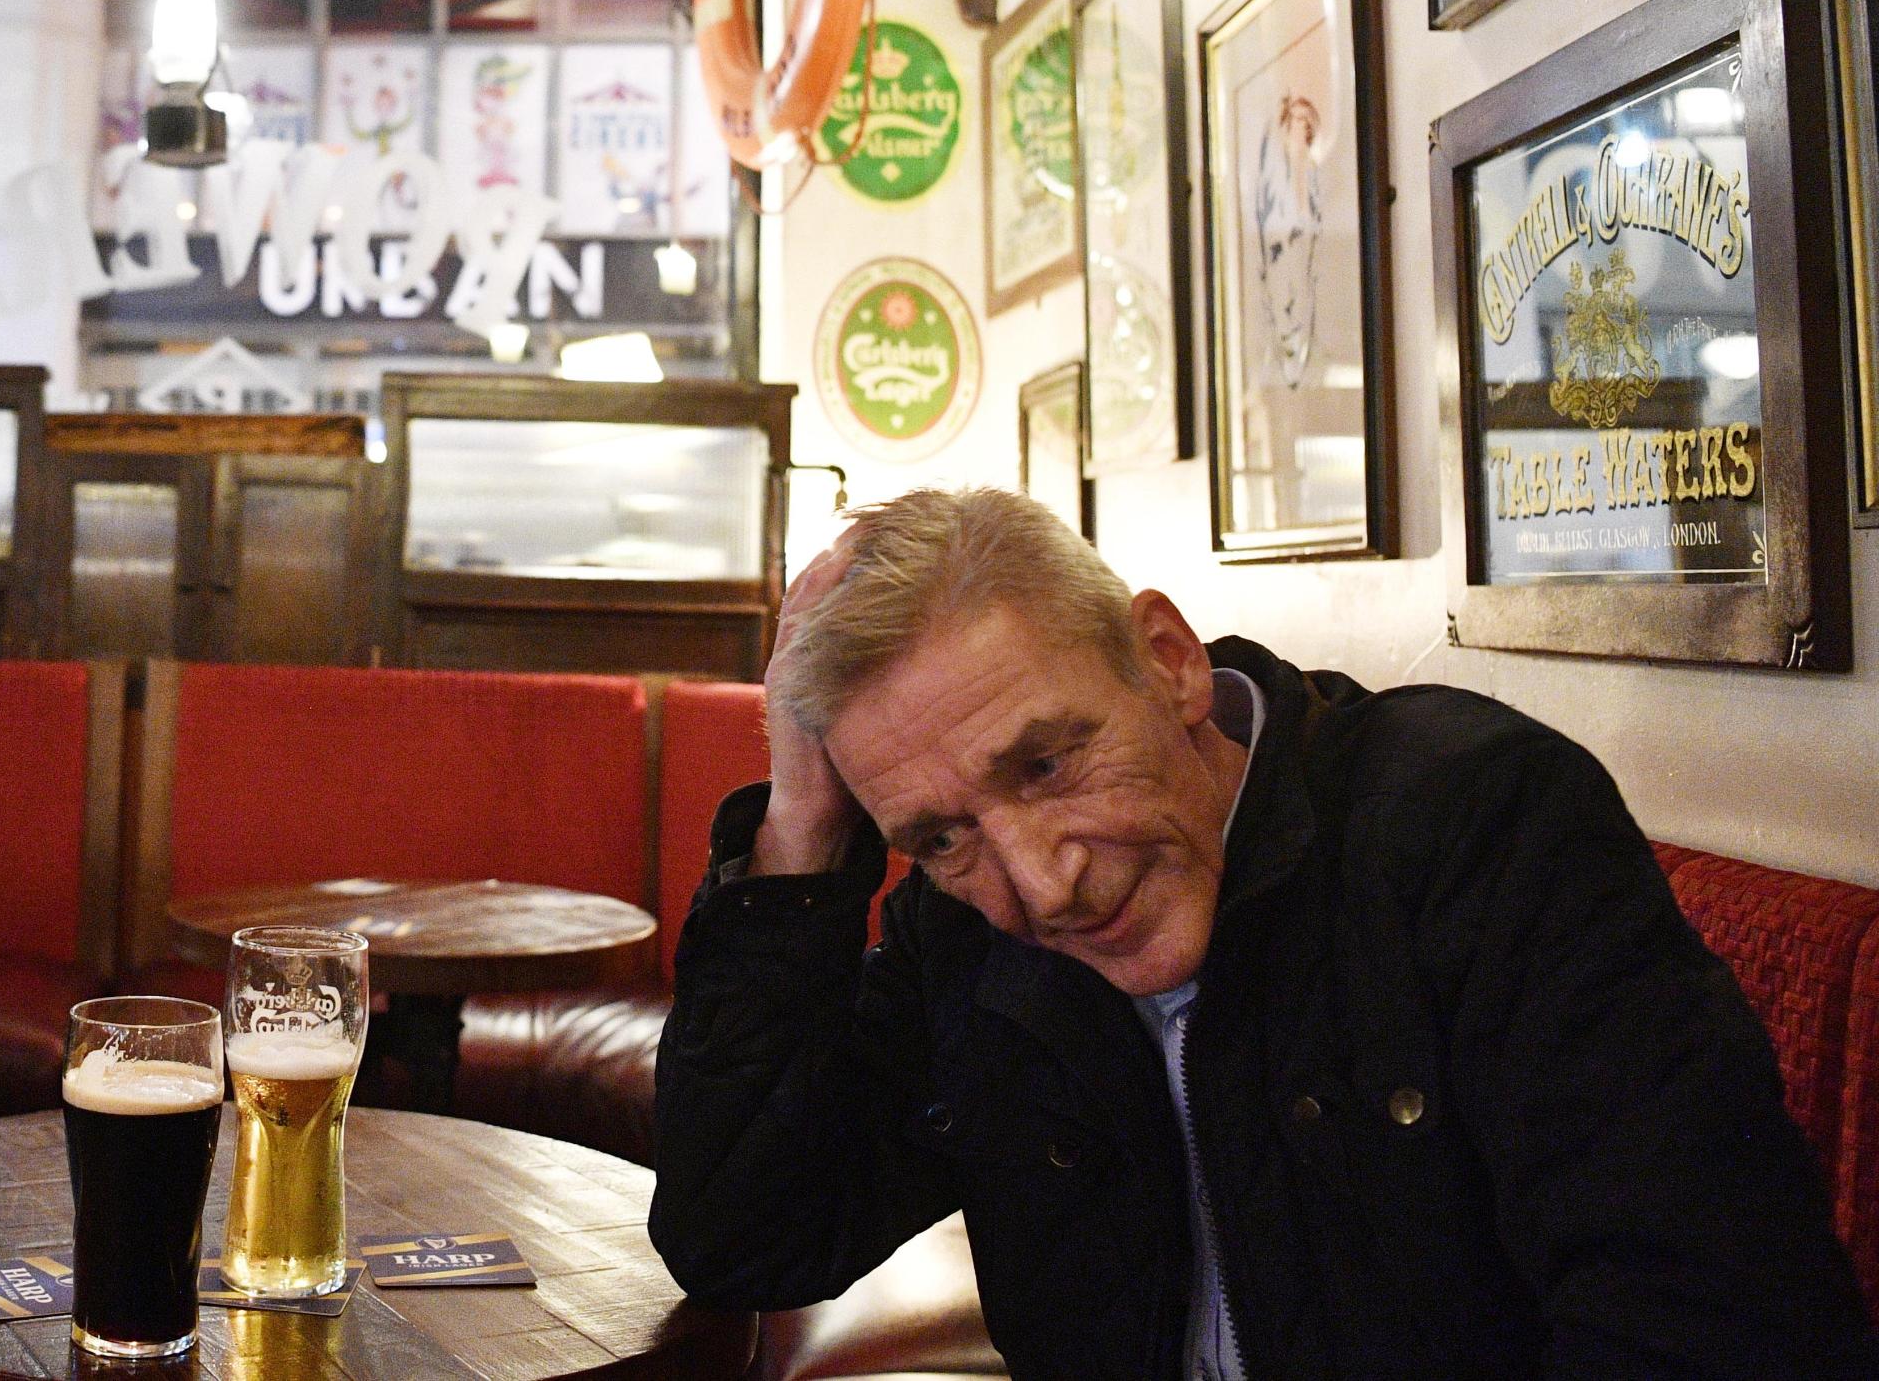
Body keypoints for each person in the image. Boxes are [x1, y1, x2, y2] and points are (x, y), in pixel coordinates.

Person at [650, 487, 1878, 1379]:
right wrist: (804, 826)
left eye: (1047, 761)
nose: (1046, 883)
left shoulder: (1469, 829)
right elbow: (746, 1236)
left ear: (1168, 662)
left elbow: (1717, 1324)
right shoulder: (964, 938)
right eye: (941, 837)